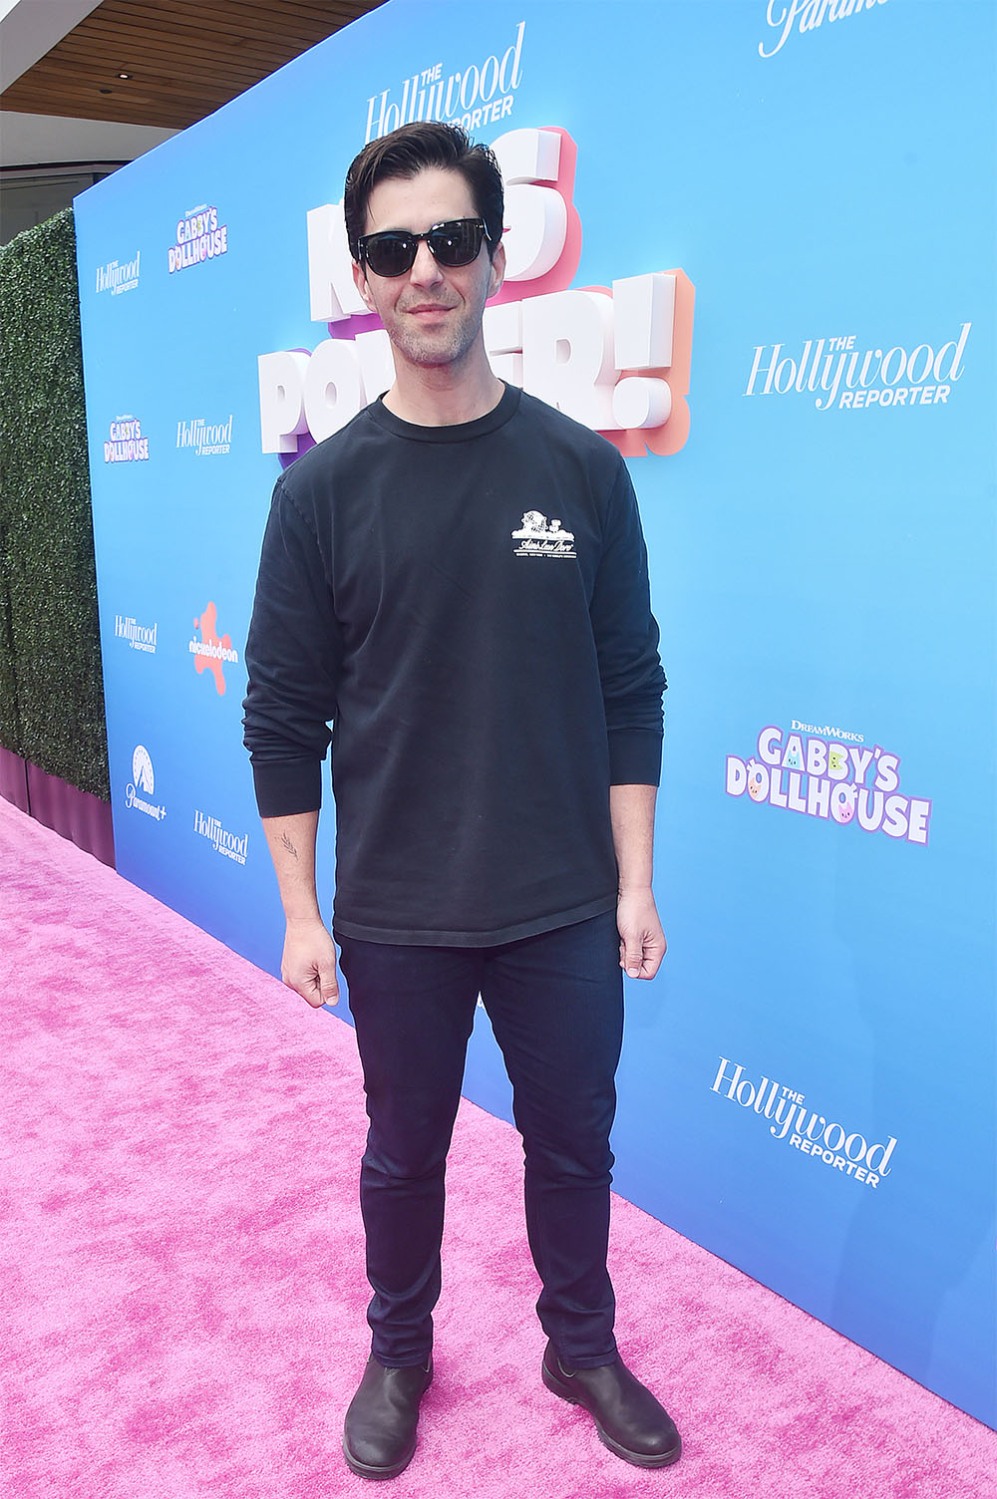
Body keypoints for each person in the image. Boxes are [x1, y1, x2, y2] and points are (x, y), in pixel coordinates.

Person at [242, 121, 680, 1480]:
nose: (423, 270)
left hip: (558, 899)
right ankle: (399, 1349)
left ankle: (581, 1342)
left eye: (448, 240)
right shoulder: (319, 496)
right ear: (364, 281)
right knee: (401, 1155)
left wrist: (633, 881)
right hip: (397, 909)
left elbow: (630, 686)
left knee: (575, 1142)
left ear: (494, 257)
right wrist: (302, 916)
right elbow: (281, 715)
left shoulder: (582, 472)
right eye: (391, 249)